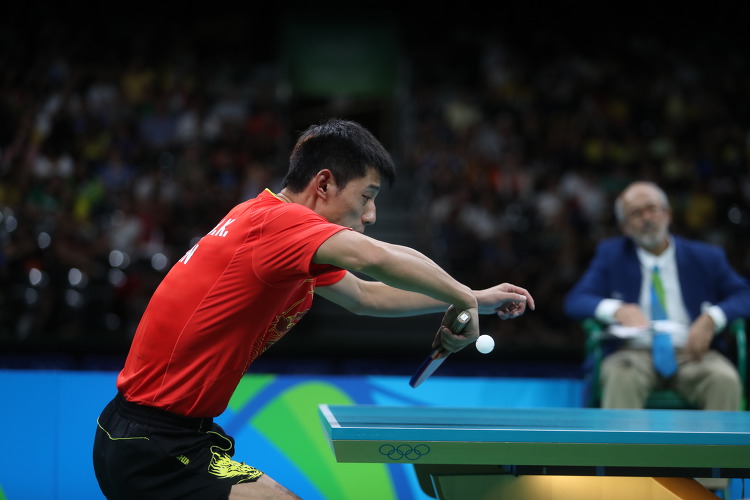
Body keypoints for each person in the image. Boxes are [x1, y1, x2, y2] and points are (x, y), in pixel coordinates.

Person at [93, 118, 535, 500]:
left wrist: (476, 298)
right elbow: (376, 258)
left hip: (168, 435)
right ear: (323, 184)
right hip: (151, 443)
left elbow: (367, 295)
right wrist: (460, 295)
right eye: (366, 196)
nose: (371, 214)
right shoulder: (277, 223)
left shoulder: (279, 235)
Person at [564, 180, 750, 410]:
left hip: (693, 353)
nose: (646, 218)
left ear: (668, 214)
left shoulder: (706, 257)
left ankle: (719, 448)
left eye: (652, 209)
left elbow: (744, 294)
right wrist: (616, 310)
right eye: (635, 213)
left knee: (724, 379)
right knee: (621, 377)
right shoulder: (611, 255)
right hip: (632, 354)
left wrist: (712, 318)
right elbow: (576, 300)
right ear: (625, 227)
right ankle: (622, 447)